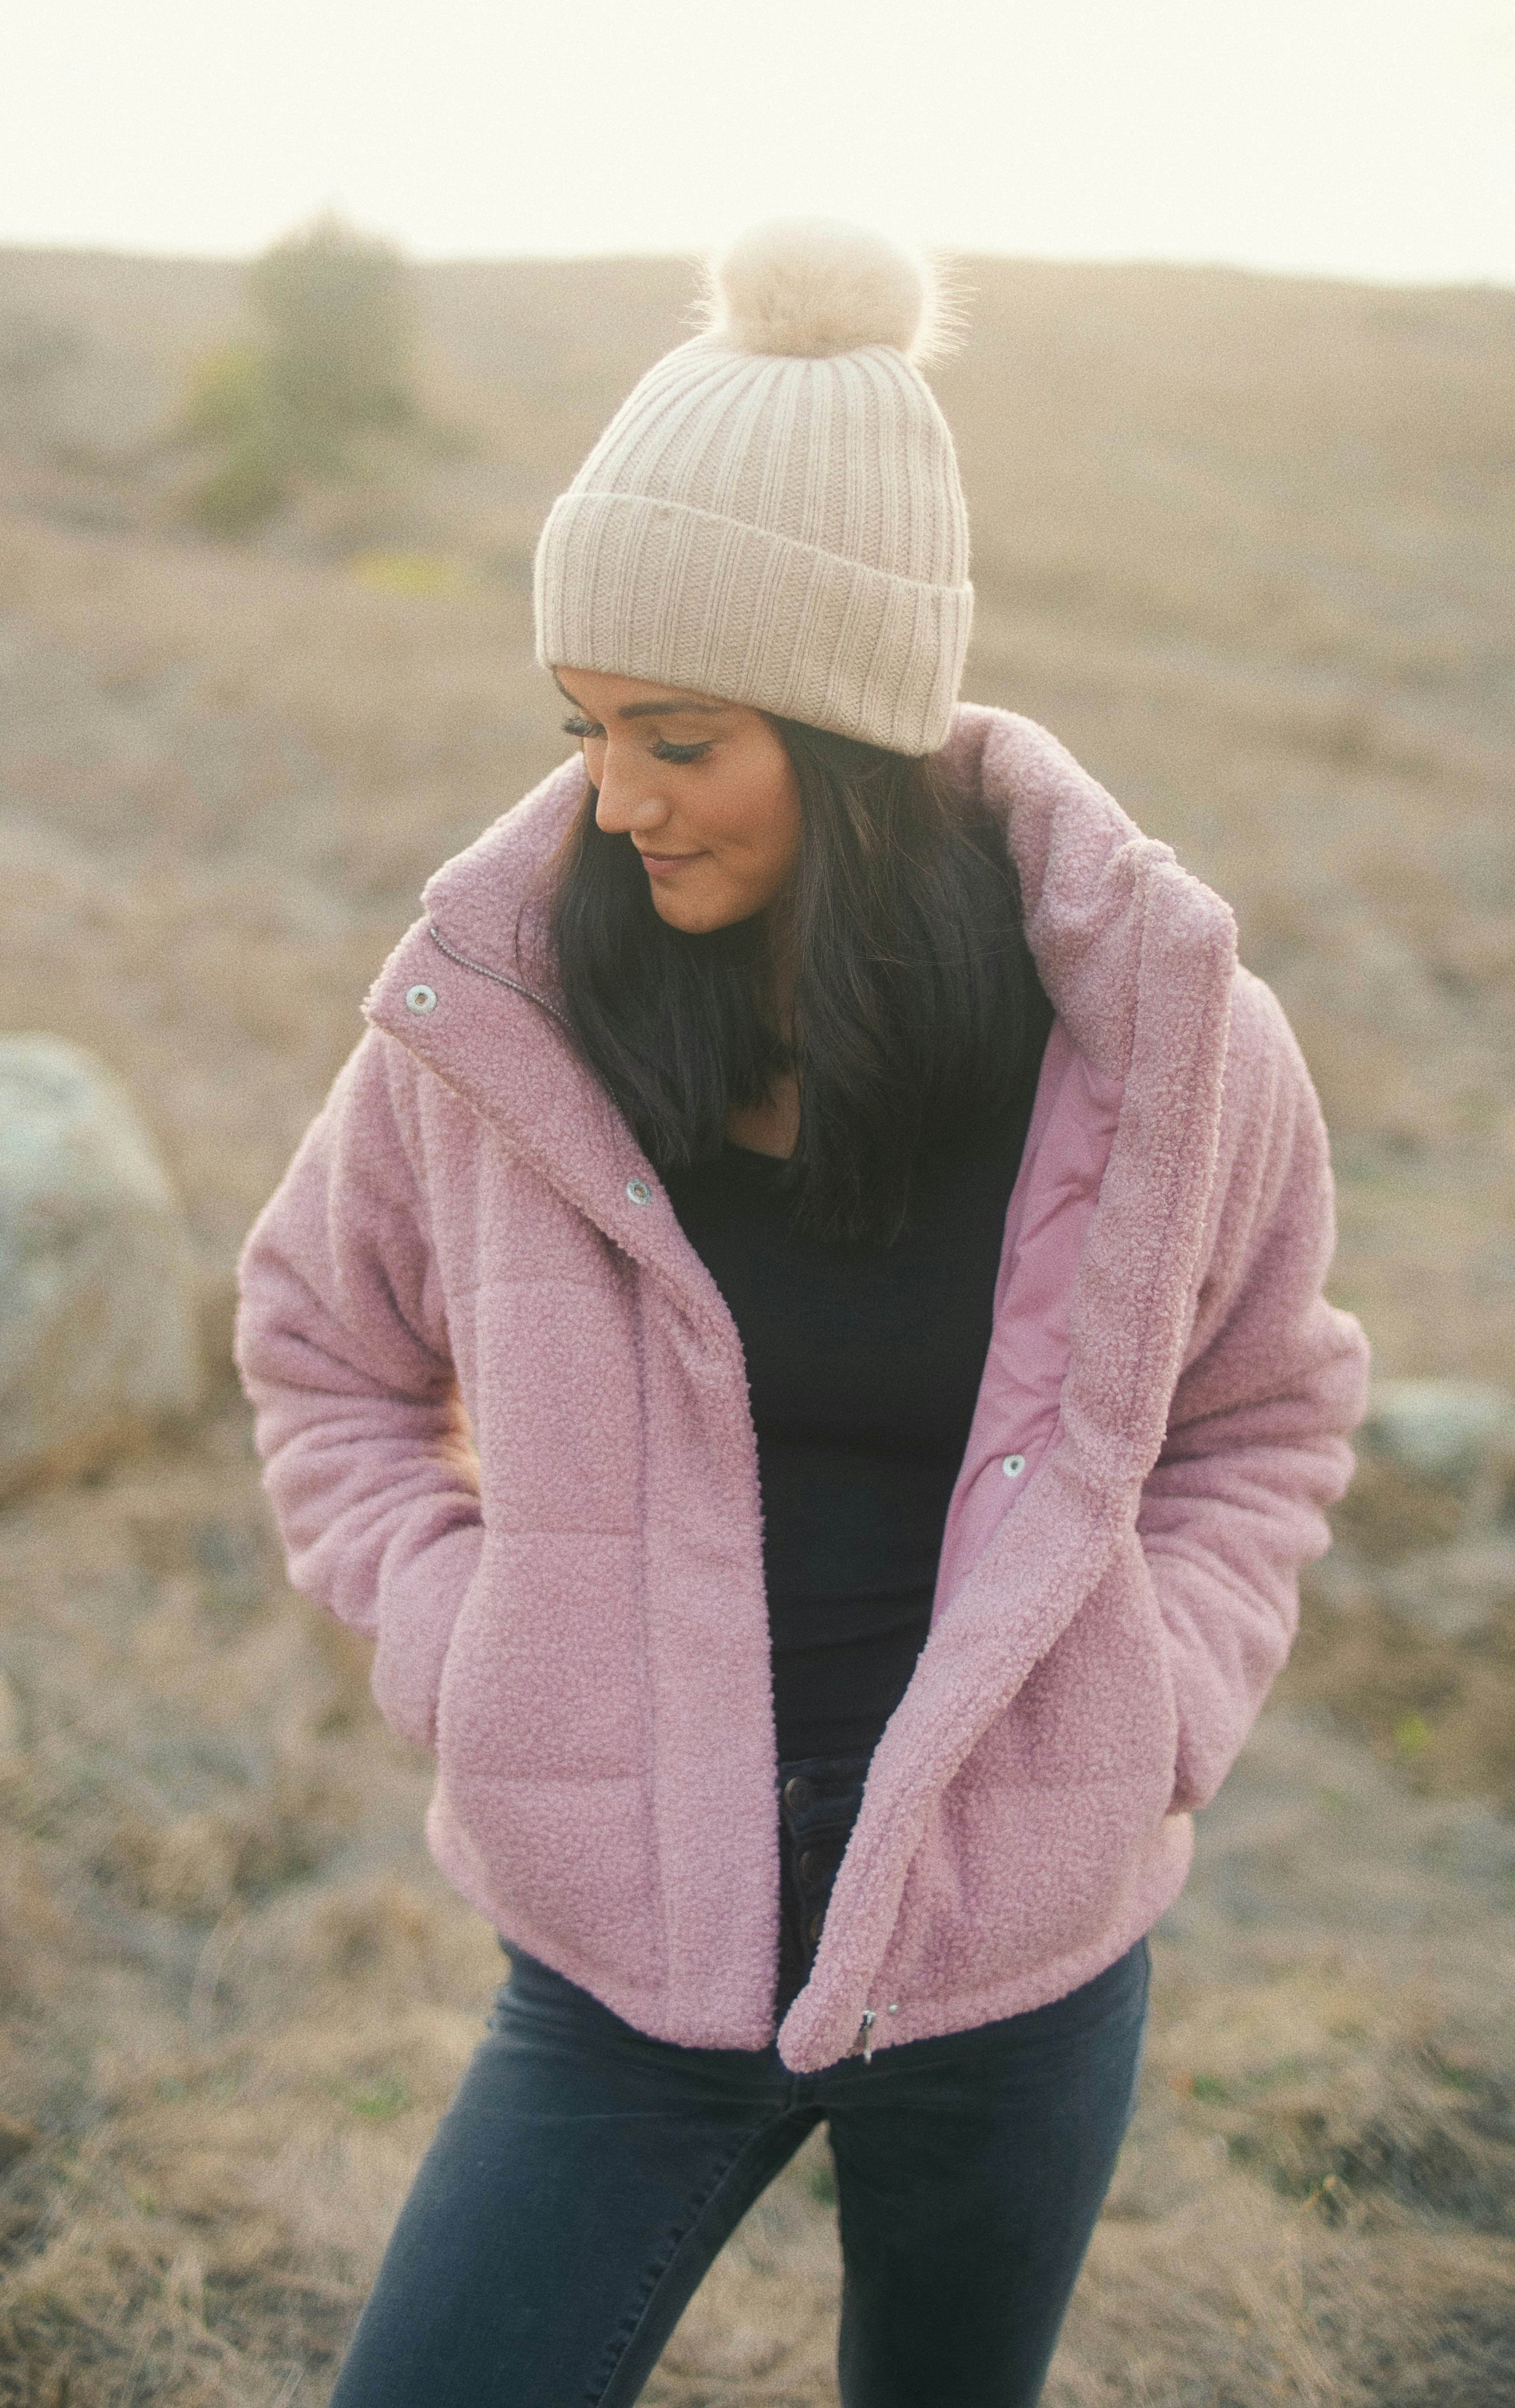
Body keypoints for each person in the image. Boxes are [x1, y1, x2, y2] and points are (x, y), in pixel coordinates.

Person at [236, 220, 1369, 2408]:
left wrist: (1163, 1704)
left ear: (853, 734)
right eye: (578, 729)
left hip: (1017, 1967)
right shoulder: (500, 1029)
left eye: (680, 735)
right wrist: (471, 1643)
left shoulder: (1162, 1053)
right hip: (619, 1965)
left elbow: (1270, 1413)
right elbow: (319, 1344)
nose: (613, 798)